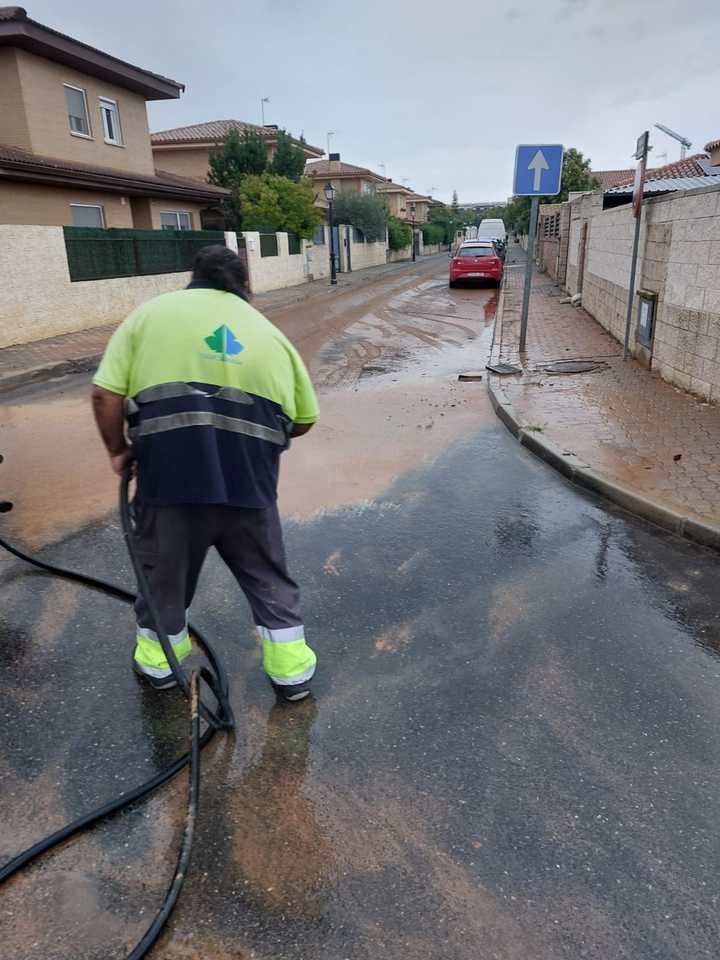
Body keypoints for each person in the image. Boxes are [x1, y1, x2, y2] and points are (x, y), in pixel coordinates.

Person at [91, 245, 319, 702]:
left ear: (192, 276)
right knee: (268, 579)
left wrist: (119, 450)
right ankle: (292, 676)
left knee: (164, 578)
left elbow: (105, 395)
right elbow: (305, 417)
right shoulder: (269, 334)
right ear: (244, 284)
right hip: (250, 489)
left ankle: (159, 668)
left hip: (169, 485)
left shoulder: (149, 317)